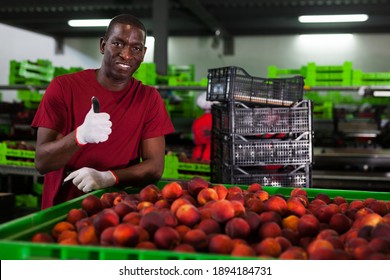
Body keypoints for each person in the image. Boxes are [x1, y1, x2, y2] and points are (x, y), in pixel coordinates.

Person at [31, 14, 175, 209]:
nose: (126, 54)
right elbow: (42, 162)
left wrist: (108, 177)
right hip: (64, 211)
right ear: (102, 45)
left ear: (143, 53)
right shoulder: (64, 88)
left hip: (119, 213)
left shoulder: (149, 99)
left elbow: (155, 167)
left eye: (136, 48)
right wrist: (80, 136)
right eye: (118, 43)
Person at [191, 91, 215, 162]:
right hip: (214, 157)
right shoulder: (220, 121)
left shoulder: (197, 121)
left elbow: (194, 139)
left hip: (197, 157)